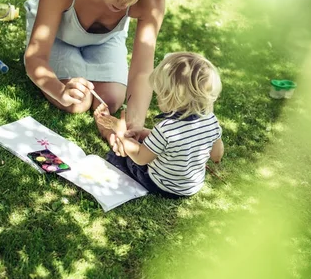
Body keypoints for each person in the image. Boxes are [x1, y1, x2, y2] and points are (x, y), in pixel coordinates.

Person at [24, 0, 165, 141]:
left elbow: (142, 71)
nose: (125, 2)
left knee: (112, 100)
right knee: (77, 102)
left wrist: (133, 127)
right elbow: (35, 57)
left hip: (105, 40)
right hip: (58, 36)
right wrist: (60, 91)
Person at [94, 52, 224, 198]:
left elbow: (140, 157)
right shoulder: (210, 120)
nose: (157, 98)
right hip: (191, 187)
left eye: (160, 94)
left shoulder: (167, 128)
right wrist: (142, 131)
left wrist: (121, 134)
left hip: (160, 185)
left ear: (172, 97)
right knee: (147, 143)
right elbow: (216, 155)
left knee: (120, 157)